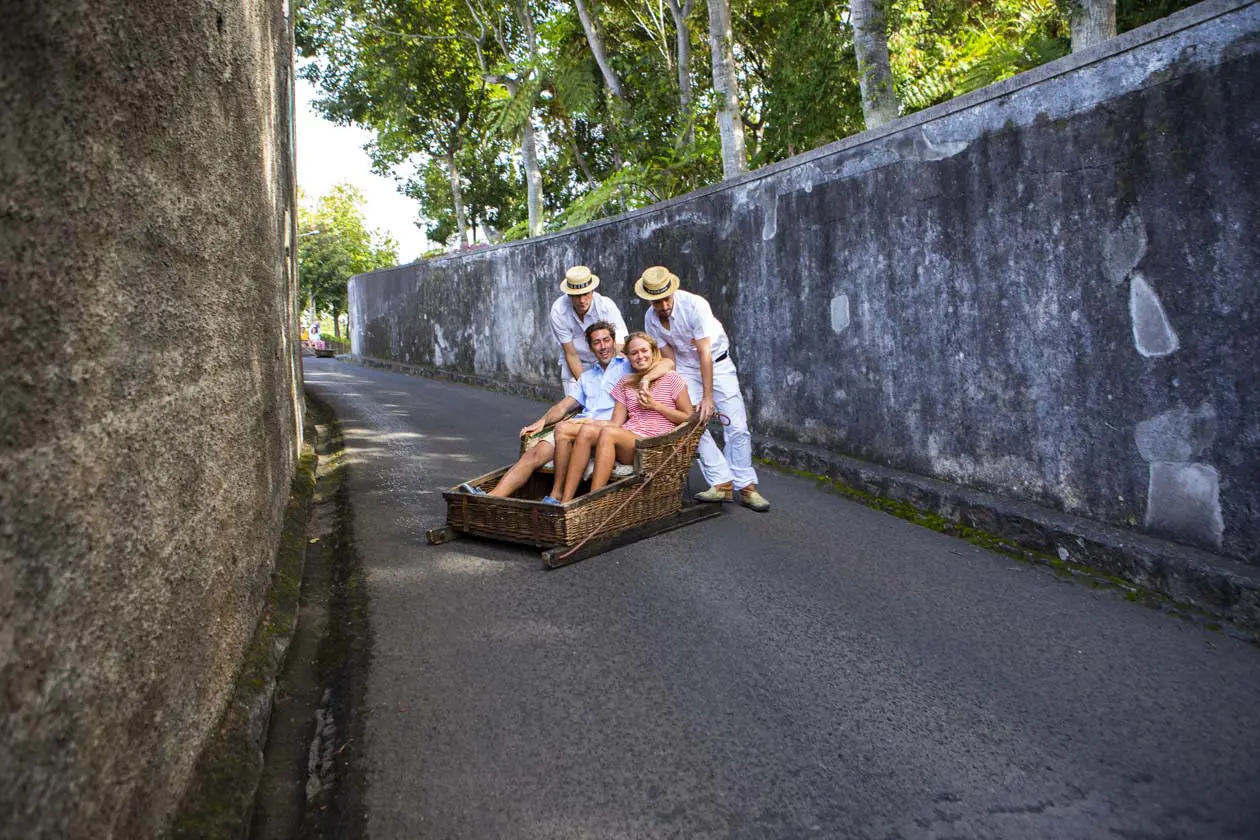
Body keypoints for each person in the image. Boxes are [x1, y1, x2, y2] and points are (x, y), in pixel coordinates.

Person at [459, 322, 670, 500]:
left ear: (614, 342)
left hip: (605, 430)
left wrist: (647, 379)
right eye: (596, 342)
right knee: (533, 455)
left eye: (606, 340)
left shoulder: (627, 365)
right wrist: (541, 422)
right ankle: (491, 497)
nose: (603, 346)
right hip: (577, 425)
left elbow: (667, 363)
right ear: (590, 348)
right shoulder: (587, 377)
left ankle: (557, 495)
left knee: (564, 430)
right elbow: (564, 406)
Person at [635, 265, 770, 512]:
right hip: (686, 368)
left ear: (672, 291)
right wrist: (647, 379)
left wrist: (708, 397)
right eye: (656, 302)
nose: (663, 306)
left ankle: (747, 487)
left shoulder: (695, 305)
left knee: (736, 425)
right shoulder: (650, 319)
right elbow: (669, 361)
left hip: (716, 363)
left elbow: (705, 353)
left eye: (666, 299)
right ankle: (721, 481)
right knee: (690, 422)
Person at [554, 332, 694, 503]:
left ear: (653, 352)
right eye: (634, 353)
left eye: (644, 351)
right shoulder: (626, 382)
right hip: (628, 441)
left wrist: (655, 405)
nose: (640, 356)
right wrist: (587, 421)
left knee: (609, 433)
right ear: (628, 357)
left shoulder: (672, 378)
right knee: (587, 430)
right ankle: (565, 501)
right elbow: (615, 422)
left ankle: (594, 501)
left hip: (654, 444)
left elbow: (688, 418)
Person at [550, 265, 628, 400]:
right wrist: (586, 387)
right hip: (574, 364)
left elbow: (619, 343)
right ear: (569, 294)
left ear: (592, 290)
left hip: (606, 360)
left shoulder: (606, 306)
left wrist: (606, 374)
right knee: (577, 409)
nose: (581, 300)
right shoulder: (558, 310)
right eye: (576, 296)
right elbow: (571, 353)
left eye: (585, 294)